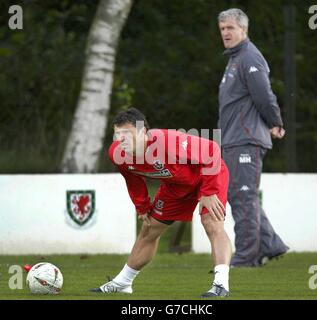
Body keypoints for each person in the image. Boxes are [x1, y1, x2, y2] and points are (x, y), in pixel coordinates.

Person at [89, 107, 232, 297]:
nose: (120, 140)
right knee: (149, 229)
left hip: (207, 176)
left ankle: (221, 284)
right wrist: (142, 207)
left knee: (212, 223)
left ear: (143, 133)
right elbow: (132, 179)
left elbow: (212, 150)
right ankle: (123, 283)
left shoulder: (167, 142)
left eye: (127, 134)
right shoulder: (117, 153)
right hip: (175, 186)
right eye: (117, 134)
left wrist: (209, 192)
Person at [217, 8, 289, 267]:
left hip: (246, 139)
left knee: (243, 195)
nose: (225, 32)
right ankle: (270, 244)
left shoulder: (249, 57)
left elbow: (264, 95)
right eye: (223, 28)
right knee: (239, 194)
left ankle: (247, 256)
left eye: (230, 28)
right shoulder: (235, 59)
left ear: (243, 30)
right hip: (234, 140)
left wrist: (276, 122)